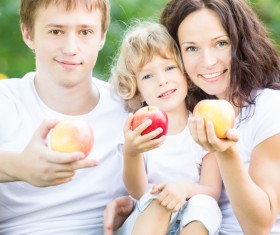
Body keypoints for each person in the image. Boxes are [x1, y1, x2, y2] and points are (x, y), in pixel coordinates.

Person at [104, 0, 280, 234]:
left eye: (220, 43)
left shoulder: (268, 107)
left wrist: (224, 152)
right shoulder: (191, 109)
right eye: (191, 48)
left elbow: (258, 226)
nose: (208, 62)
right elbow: (142, 184)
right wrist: (130, 202)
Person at [0, 0, 128, 234]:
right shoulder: (5, 101)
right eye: (56, 31)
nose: (71, 47)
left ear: (101, 37)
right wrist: (18, 166)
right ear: (28, 33)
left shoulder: (128, 109)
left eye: (85, 32)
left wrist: (134, 202)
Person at [109, 21, 222, 235]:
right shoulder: (139, 131)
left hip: (190, 211)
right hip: (147, 217)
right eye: (148, 76)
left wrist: (182, 189)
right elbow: (138, 191)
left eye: (169, 68)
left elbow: (212, 190)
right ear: (138, 90)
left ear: (185, 75)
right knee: (156, 200)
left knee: (204, 205)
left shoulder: (201, 125)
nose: (162, 81)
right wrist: (132, 152)